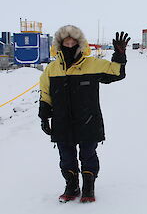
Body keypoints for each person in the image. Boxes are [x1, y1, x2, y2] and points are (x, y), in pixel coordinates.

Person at [38, 25, 130, 203]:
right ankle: (71, 186)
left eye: (73, 41)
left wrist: (119, 54)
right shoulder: (51, 69)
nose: (70, 44)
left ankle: (88, 186)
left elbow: (117, 73)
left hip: (88, 120)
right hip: (62, 121)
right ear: (60, 43)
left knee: (88, 154)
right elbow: (45, 94)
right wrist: (44, 117)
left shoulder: (92, 64)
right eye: (66, 41)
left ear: (80, 43)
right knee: (66, 156)